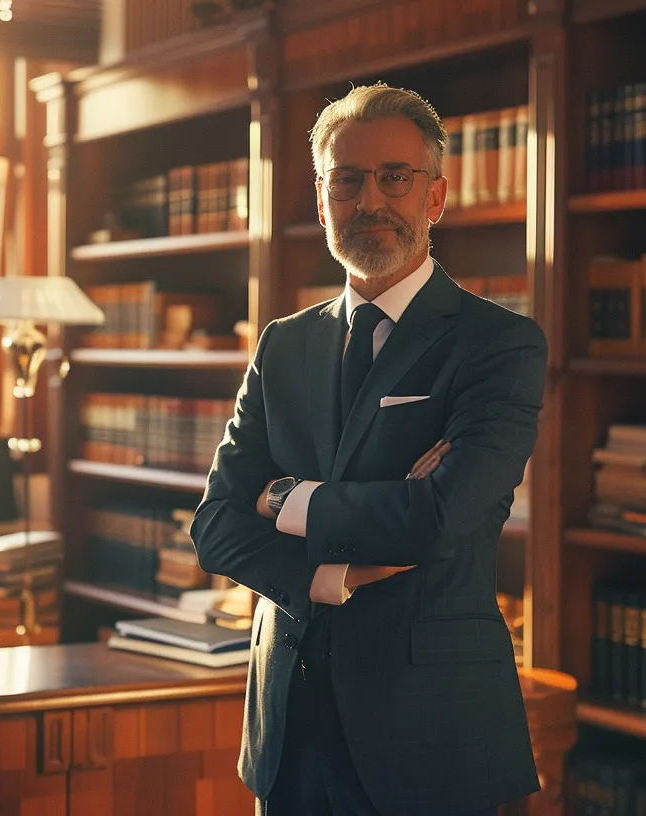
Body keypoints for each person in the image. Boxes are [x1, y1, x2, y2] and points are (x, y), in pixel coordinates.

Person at [190, 83, 546, 815]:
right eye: (346, 180)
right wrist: (330, 577)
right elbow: (219, 525)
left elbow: (439, 518)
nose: (370, 200)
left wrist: (288, 499)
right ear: (322, 203)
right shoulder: (282, 344)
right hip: (287, 728)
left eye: (395, 177)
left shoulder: (499, 344)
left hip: (429, 736)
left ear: (435, 199)